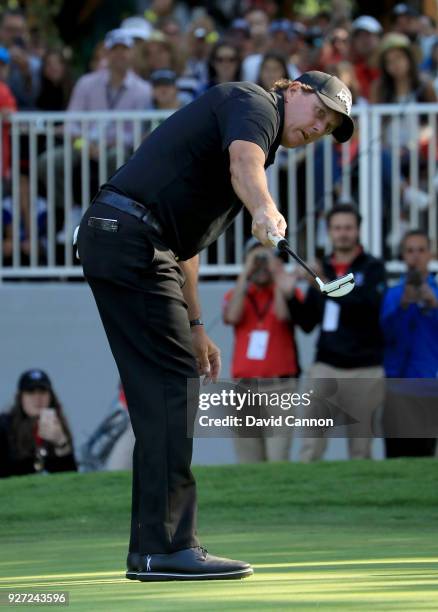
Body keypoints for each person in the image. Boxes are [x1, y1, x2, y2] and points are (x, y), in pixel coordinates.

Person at [76, 71, 354, 581]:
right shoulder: (255, 106)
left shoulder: (244, 141)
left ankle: (153, 550)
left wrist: (197, 325)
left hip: (133, 239)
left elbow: (185, 251)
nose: (319, 127)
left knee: (166, 388)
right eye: (319, 112)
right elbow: (246, 161)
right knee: (170, 389)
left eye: (330, 126)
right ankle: (166, 547)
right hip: (129, 237)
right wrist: (264, 207)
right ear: (294, 88)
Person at [293, 204, 386, 462]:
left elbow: (368, 307)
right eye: (337, 228)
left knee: (361, 450)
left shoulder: (372, 267)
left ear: (357, 230)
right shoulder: (322, 269)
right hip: (326, 366)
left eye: (348, 228)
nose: (343, 233)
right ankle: (306, 499)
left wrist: (324, 286)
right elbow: (308, 322)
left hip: (365, 368)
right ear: (330, 232)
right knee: (310, 446)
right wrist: (290, 294)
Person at [223, 239, 308, 463]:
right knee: (248, 460)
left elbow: (282, 314)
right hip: (244, 388)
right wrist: (247, 269)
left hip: (280, 388)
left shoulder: (287, 292)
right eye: (256, 262)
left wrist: (275, 267)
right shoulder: (238, 293)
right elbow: (232, 316)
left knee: (277, 457)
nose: (261, 268)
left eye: (265, 262)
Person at [380, 230, 438, 458]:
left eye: (421, 250)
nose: (416, 256)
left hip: (427, 384)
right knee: (396, 455)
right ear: (403, 255)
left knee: (424, 457)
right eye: (410, 251)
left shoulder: (435, 293)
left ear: (430, 254)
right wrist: (403, 305)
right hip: (397, 386)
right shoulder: (393, 294)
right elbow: (385, 334)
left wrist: (434, 305)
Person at [0, 369, 77, 478]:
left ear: (50, 397)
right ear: (20, 397)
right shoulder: (4, 426)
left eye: (42, 391)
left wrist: (61, 443)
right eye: (31, 392)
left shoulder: (57, 425)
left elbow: (70, 478)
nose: (37, 398)